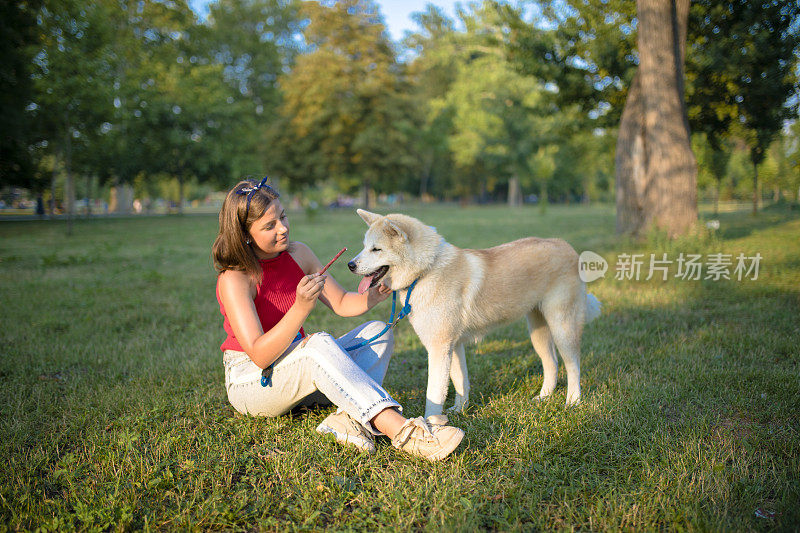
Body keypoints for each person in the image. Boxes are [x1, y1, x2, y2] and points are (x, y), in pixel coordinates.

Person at [211, 178, 464, 461]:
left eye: (282, 216)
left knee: (378, 331)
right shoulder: (234, 278)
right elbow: (259, 355)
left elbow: (342, 302)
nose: (283, 228)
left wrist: (375, 296)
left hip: (299, 373)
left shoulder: (299, 254)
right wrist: (300, 307)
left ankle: (346, 420)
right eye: (269, 226)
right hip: (253, 382)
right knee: (317, 344)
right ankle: (405, 433)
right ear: (244, 234)